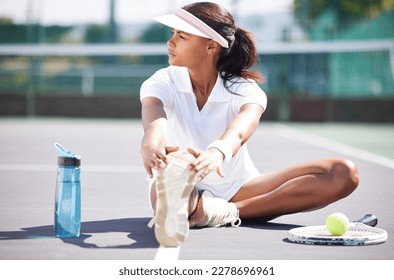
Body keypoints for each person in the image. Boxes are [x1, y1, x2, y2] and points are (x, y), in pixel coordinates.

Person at [140, 2, 359, 247]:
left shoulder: (244, 90)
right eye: (172, 35)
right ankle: (195, 208)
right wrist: (151, 143)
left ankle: (226, 211)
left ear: (211, 45)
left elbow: (240, 129)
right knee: (172, 197)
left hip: (240, 187)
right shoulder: (163, 80)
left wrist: (217, 152)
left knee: (343, 173)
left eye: (181, 36)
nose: (171, 42)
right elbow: (155, 116)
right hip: (179, 177)